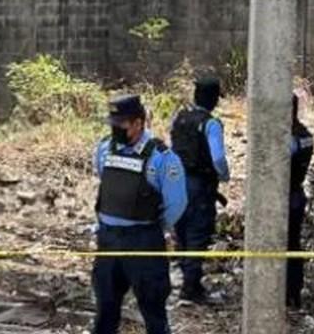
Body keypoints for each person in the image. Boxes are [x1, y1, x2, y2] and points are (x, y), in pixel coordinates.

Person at [93, 94, 187, 334]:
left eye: (121, 124)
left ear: (138, 123)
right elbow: (104, 179)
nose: (115, 128)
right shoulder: (105, 148)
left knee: (153, 311)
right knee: (105, 309)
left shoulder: (162, 158)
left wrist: (153, 226)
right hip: (108, 240)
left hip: (143, 241)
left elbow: (176, 203)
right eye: (112, 123)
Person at [169, 72, 230, 303]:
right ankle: (191, 288)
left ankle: (186, 279)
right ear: (213, 99)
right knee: (197, 234)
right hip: (198, 186)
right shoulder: (211, 124)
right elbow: (218, 159)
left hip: (175, 182)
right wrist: (224, 176)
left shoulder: (179, 117)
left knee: (181, 232)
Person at [288, 92, 314, 309]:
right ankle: (294, 292)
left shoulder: (288, 139)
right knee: (293, 244)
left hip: (284, 197)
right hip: (297, 194)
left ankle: (286, 292)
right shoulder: (305, 135)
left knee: (281, 245)